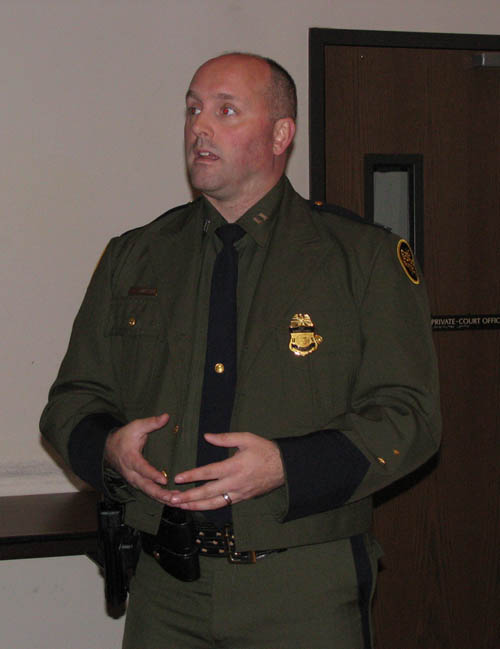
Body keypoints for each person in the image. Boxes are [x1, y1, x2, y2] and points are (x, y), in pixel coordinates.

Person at [40, 52, 441, 649]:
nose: (200, 127)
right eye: (193, 109)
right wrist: (108, 449)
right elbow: (71, 400)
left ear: (281, 135)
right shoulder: (136, 255)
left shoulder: (361, 258)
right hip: (165, 589)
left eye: (226, 111)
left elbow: (410, 416)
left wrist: (288, 466)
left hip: (302, 586)